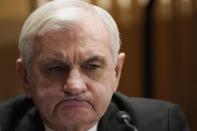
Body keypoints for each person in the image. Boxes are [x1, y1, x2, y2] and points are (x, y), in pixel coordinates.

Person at [0, 0, 190, 131]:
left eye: (92, 66)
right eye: (56, 68)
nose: (74, 86)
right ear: (25, 76)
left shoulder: (161, 124)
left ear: (116, 72)